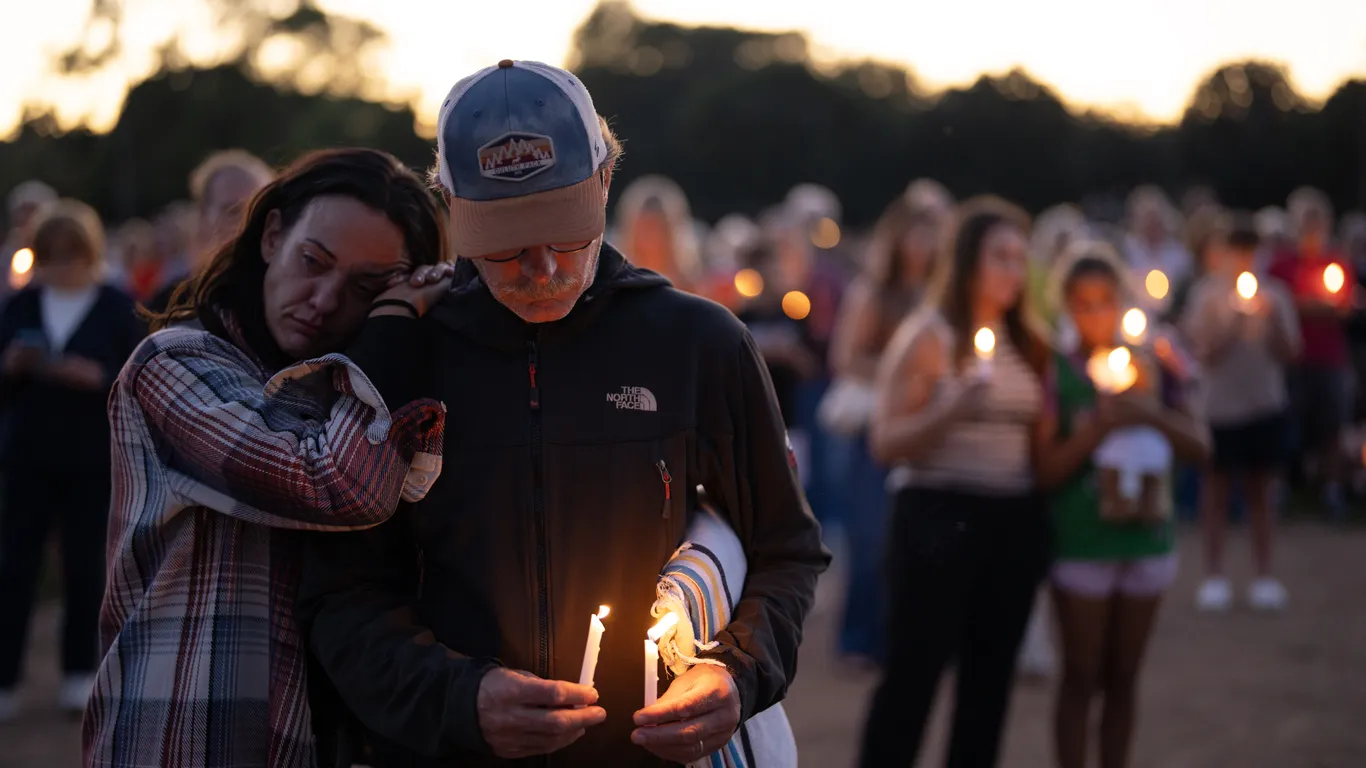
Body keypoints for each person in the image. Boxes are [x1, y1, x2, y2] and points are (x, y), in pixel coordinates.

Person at [296, 59, 830, 767]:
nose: (541, 269)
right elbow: (340, 592)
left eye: (564, 232)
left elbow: (784, 549)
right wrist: (459, 698)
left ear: (606, 180)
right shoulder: (400, 354)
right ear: (451, 207)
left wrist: (737, 672)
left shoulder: (699, 344)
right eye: (508, 243)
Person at [82, 148, 453, 768]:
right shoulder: (172, 365)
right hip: (183, 740)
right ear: (273, 235)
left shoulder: (346, 393)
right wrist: (391, 318)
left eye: (367, 286)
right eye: (314, 261)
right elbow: (334, 484)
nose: (326, 299)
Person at [858, 196, 1051, 768]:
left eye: (1021, 258)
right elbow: (886, 441)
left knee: (988, 688)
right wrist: (951, 409)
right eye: (1001, 257)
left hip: (1011, 523)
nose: (1014, 271)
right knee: (912, 680)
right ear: (967, 261)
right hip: (936, 520)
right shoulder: (929, 335)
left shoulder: (1031, 342)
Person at [1039, 244, 1209, 768]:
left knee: (1124, 676)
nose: (1096, 314)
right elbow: (1045, 470)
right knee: (1080, 674)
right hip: (1083, 540)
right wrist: (1098, 428)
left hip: (1146, 538)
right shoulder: (1057, 371)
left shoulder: (1157, 360)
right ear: (1067, 307)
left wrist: (1150, 415)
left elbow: (1201, 447)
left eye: (1106, 301)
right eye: (1083, 303)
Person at [0, 200, 145, 722]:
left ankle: (79, 676)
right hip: (26, 456)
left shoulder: (116, 305)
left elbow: (137, 378)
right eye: (51, 256)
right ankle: (6, 678)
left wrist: (97, 378)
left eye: (70, 255)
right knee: (14, 567)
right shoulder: (20, 304)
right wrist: (12, 367)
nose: (61, 267)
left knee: (87, 568)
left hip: (90, 458)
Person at [823, 187, 946, 670]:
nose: (926, 240)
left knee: (924, 537)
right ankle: (861, 639)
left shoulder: (945, 295)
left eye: (935, 228)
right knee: (871, 535)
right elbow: (846, 358)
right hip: (874, 430)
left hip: (931, 430)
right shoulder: (874, 291)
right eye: (918, 228)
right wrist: (905, 380)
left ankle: (912, 637)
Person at [1183, 217, 1300, 611]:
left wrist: (1274, 322)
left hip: (1265, 404)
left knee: (1261, 495)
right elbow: (1203, 355)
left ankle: (1264, 577)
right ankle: (1214, 577)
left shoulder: (1277, 295)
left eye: (1252, 253)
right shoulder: (1206, 295)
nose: (1245, 261)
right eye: (1239, 253)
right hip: (1220, 409)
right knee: (1214, 495)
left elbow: (1291, 353)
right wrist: (1234, 323)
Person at [1269, 187, 1354, 514]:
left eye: (1318, 219)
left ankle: (1332, 487)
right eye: (1306, 219)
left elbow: (1343, 308)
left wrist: (1319, 307)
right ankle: (1281, 488)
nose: (1313, 227)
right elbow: (1280, 307)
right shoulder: (1281, 264)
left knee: (1332, 424)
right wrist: (1313, 307)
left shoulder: (1336, 262)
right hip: (1292, 359)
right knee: (1287, 423)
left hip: (1330, 358)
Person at [145, 149, 276, 314]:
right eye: (233, 211)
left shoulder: (279, 307)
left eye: (258, 211)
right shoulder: (167, 308)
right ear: (202, 215)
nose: (246, 224)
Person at [612, 174, 702, 293]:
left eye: (658, 227)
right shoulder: (618, 282)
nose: (651, 237)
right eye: (645, 228)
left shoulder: (690, 284)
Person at [2, 180, 58, 297]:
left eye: (33, 209)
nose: (27, 217)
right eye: (22, 210)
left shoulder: (61, 254)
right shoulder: (7, 253)